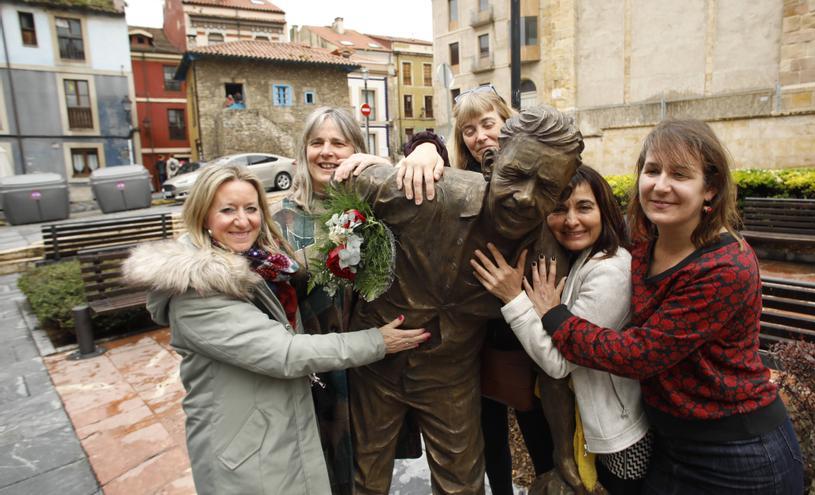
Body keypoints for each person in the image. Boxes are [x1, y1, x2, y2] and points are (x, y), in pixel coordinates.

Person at [528, 119, 804, 494]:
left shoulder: (725, 267)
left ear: (711, 189)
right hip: (669, 441)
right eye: (652, 170)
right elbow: (578, 221)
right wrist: (428, 149)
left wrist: (554, 315)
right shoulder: (644, 238)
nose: (660, 186)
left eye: (679, 174)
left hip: (740, 455)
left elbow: (640, 354)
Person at [122, 164, 428, 494]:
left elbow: (293, 268)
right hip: (246, 456)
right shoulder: (196, 292)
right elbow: (285, 353)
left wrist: (346, 239)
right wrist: (377, 341)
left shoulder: (255, 264)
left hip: (270, 433)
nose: (243, 220)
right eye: (227, 210)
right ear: (204, 217)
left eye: (251, 208)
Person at [338, 106, 583, 494]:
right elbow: (345, 189)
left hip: (450, 378)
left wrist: (563, 455)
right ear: (492, 163)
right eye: (515, 175)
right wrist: (371, 163)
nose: (524, 197)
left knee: (462, 486)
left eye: (547, 188)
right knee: (364, 478)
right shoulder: (425, 191)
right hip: (374, 364)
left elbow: (553, 364)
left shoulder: (545, 260)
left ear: (563, 193)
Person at [401, 88, 556, 494]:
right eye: (469, 130)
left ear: (508, 120)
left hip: (527, 317)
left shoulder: (533, 170)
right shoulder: (460, 178)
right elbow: (428, 163)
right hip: (476, 330)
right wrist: (423, 145)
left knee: (539, 427)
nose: (480, 136)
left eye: (488, 123)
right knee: (489, 436)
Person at [471, 165, 652, 494]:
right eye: (558, 209)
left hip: (617, 437)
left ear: (604, 210)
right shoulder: (582, 257)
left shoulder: (610, 270)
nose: (571, 220)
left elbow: (559, 361)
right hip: (590, 425)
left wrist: (514, 298)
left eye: (584, 207)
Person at [274, 106, 390, 493]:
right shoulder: (282, 220)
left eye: (339, 143)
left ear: (356, 149)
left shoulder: (377, 210)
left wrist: (382, 166)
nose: (327, 151)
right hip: (314, 371)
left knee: (372, 470)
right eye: (317, 142)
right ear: (303, 151)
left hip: (371, 366)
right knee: (321, 472)